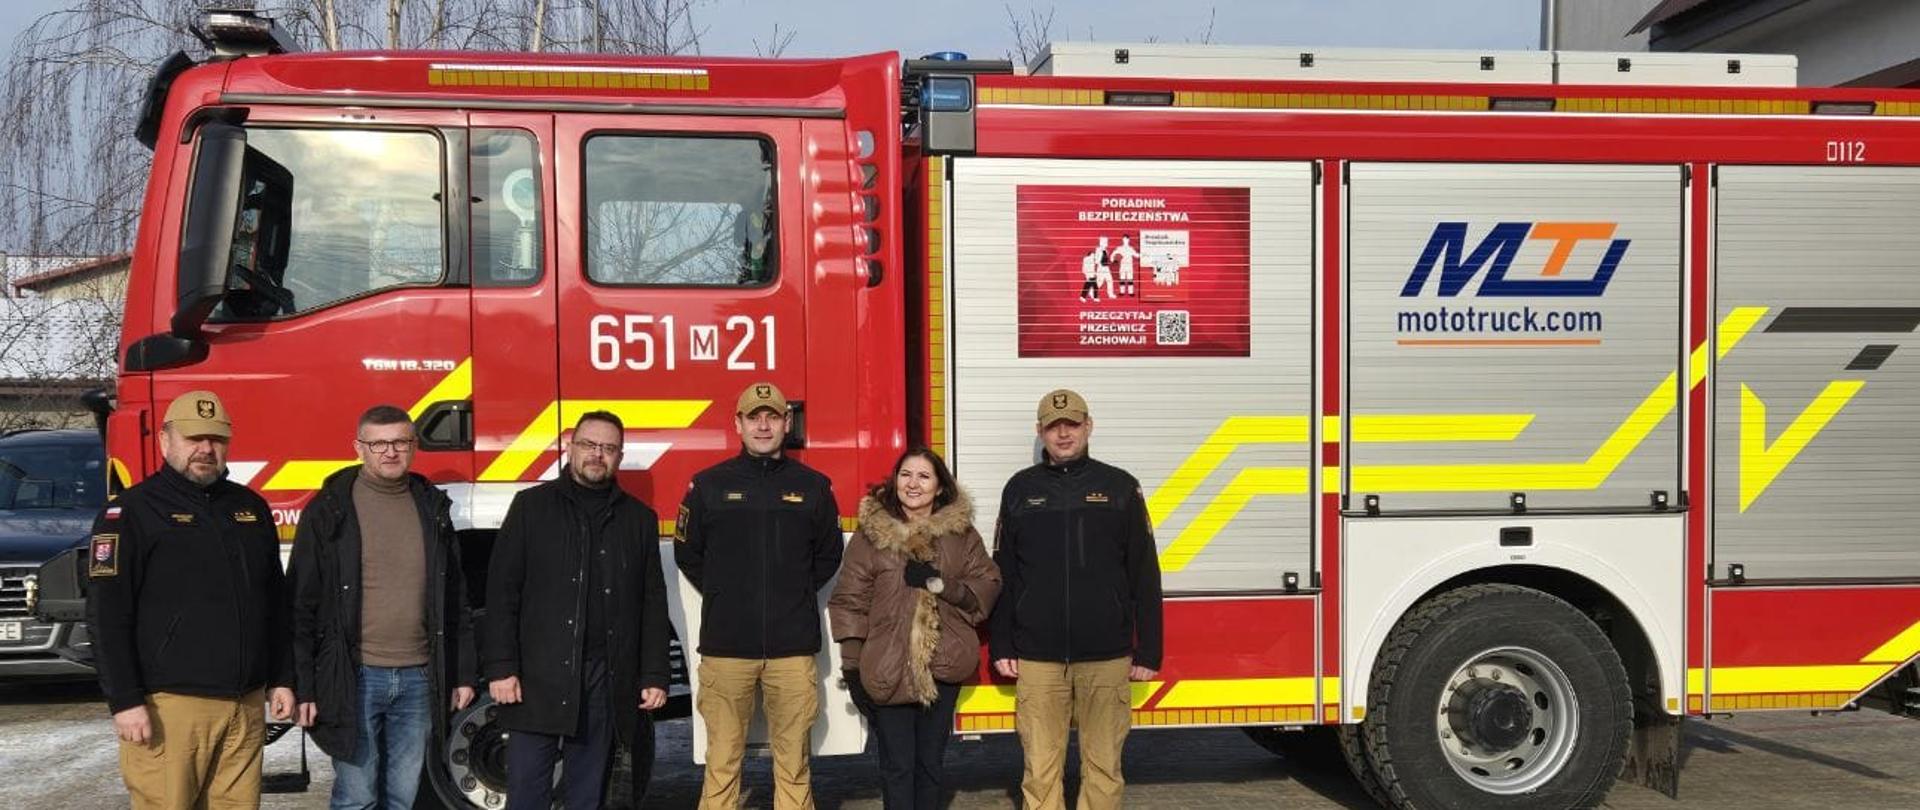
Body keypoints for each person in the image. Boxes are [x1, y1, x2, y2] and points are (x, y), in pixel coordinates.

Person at [85, 390, 295, 809]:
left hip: (244, 706)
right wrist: (125, 701)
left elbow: (275, 602)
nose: (205, 449)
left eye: (215, 439)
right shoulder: (131, 512)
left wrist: (283, 677)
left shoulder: (250, 508)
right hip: (171, 710)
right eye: (193, 438)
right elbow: (107, 616)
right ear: (166, 441)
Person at [288, 405, 476, 810]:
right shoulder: (329, 510)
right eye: (378, 444)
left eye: (400, 442)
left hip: (419, 678)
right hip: (355, 676)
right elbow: (301, 604)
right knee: (357, 797)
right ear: (359, 448)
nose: (390, 452)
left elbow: (454, 598)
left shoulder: (432, 507)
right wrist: (304, 684)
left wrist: (461, 673)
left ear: (413, 446)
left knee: (403, 797)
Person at [484, 411, 673, 810]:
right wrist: (501, 666)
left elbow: (653, 604)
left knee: (587, 796)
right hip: (536, 678)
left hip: (602, 679)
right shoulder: (530, 507)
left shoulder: (638, 519)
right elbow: (502, 593)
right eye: (589, 445)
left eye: (608, 448)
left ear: (619, 456)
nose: (597, 455)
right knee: (527, 794)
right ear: (569, 447)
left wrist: (655, 674)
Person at [988, 389, 1164, 810]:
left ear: (1089, 426)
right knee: (1040, 768)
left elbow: (1144, 573)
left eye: (1072, 424)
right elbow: (1004, 574)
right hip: (1038, 658)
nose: (1063, 433)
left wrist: (1150, 649)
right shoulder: (1019, 489)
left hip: (1106, 656)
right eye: (1053, 426)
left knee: (1104, 767)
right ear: (1040, 432)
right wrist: (1002, 643)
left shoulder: (1121, 487)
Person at [677, 382, 842, 810]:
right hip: (726, 650)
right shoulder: (708, 486)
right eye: (754, 417)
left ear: (787, 423)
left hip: (791, 652)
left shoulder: (814, 487)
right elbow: (687, 553)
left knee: (793, 765)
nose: (764, 425)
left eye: (772, 416)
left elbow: (828, 556)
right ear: (738, 424)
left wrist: (793, 594)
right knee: (722, 762)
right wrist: (726, 594)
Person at [829, 448, 1000, 809]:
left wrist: (943, 586)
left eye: (924, 476)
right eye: (906, 475)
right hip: (887, 666)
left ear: (939, 487)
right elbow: (849, 599)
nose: (913, 484)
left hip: (943, 663)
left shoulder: (961, 535)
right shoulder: (870, 536)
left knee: (929, 765)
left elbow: (987, 586)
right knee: (896, 766)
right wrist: (852, 665)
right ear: (895, 481)